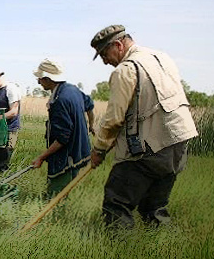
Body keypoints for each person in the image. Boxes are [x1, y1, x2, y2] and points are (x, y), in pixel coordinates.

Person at [89, 25, 198, 228]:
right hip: (179, 141)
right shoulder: (161, 57)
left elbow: (114, 119)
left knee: (116, 203)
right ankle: (160, 251)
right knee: (153, 207)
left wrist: (99, 149)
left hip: (151, 147)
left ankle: (119, 256)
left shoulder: (125, 70)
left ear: (118, 45)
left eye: (104, 53)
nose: (105, 61)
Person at [30, 59, 95, 196]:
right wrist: (92, 125)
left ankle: (56, 213)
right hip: (79, 151)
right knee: (68, 190)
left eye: (40, 78)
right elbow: (90, 106)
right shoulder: (73, 89)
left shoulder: (60, 100)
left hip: (66, 157)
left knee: (55, 195)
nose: (38, 82)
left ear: (48, 79)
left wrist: (41, 157)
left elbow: (62, 138)